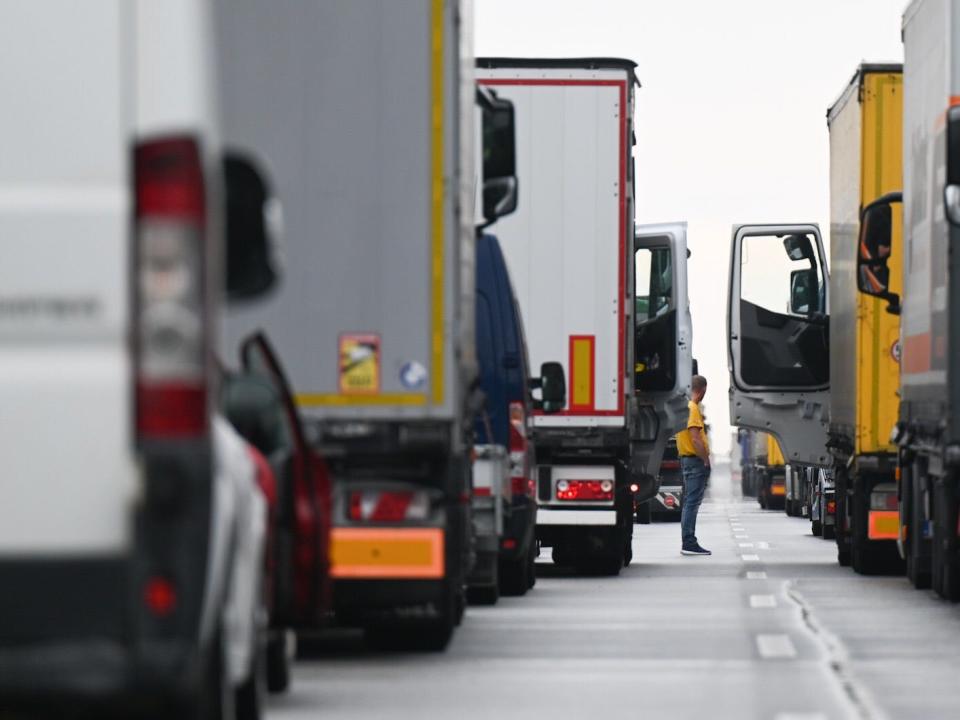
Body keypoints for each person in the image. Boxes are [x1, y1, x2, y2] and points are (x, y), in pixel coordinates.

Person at [675, 375, 711, 556]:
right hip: (694, 460)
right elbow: (696, 439)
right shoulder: (693, 408)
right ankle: (689, 542)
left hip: (686, 459)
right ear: (703, 390)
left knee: (689, 501)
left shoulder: (684, 408)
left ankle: (688, 541)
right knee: (692, 503)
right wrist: (705, 459)